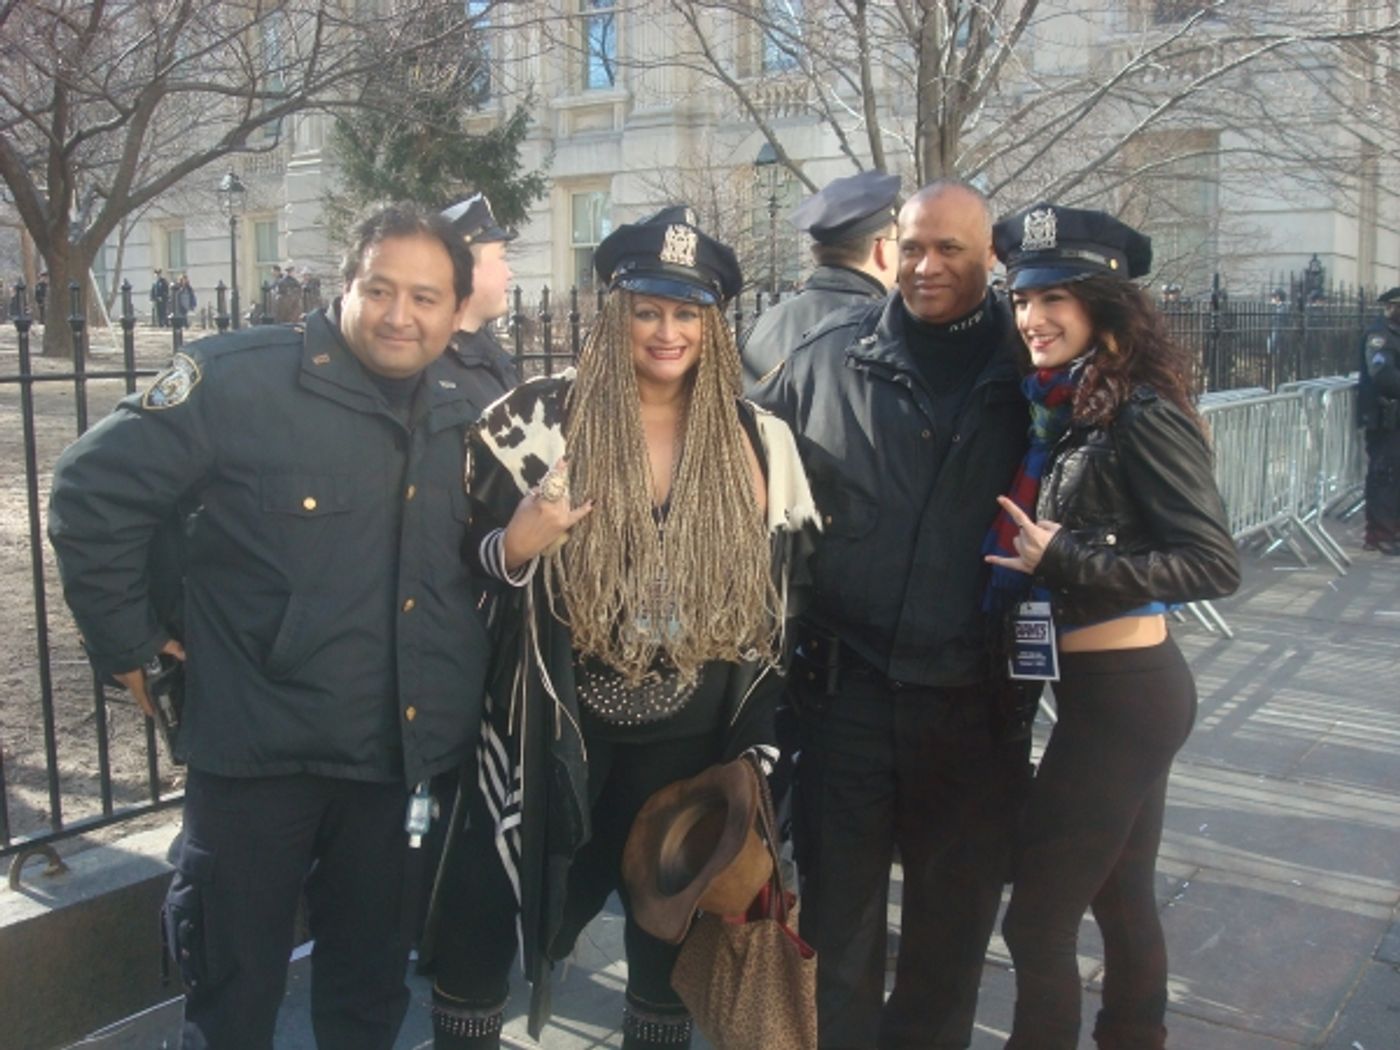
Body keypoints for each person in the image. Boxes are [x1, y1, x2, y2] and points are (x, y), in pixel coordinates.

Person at [48, 202, 493, 1050]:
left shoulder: (466, 401)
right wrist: (128, 644)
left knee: (369, 995)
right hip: (259, 757)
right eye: (380, 289)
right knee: (232, 997)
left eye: (426, 297)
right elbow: (90, 492)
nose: (400, 315)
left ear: (455, 308)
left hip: (398, 766)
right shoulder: (239, 381)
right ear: (345, 285)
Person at [425, 206, 819, 1050]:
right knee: (484, 913)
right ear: (616, 313)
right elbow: (457, 567)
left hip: (690, 735)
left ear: (713, 327)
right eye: (647, 310)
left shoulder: (760, 441)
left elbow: (784, 604)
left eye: (687, 314)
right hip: (551, 725)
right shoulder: (533, 425)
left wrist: (758, 738)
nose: (667, 332)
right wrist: (516, 546)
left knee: (664, 937)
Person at [751, 180, 1038, 1049]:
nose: (926, 265)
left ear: (991, 258)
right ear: (889, 249)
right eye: (912, 247)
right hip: (847, 702)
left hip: (973, 705)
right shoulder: (825, 362)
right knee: (835, 932)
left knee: (949, 943)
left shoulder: (1033, 372)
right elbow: (736, 492)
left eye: (951, 249)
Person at [984, 203, 1241, 1050]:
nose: (1032, 317)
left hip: (1126, 698)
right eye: (1023, 299)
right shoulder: (1067, 408)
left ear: (1102, 305)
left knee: (1037, 922)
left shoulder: (1140, 413)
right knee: (1122, 897)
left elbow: (1212, 564)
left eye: (1054, 298)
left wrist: (1068, 561)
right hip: (1108, 692)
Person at [740, 170, 901, 387]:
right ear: (881, 249)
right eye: (897, 240)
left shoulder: (762, 327)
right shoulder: (889, 329)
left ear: (817, 253)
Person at [441, 192, 523, 397]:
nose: (509, 273)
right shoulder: (436, 367)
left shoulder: (486, 349)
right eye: (502, 257)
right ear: (465, 269)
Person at [1359, 286, 1400, 554]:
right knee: (1385, 475)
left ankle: (1393, 530)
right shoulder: (1380, 336)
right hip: (1385, 418)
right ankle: (1380, 534)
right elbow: (1383, 374)